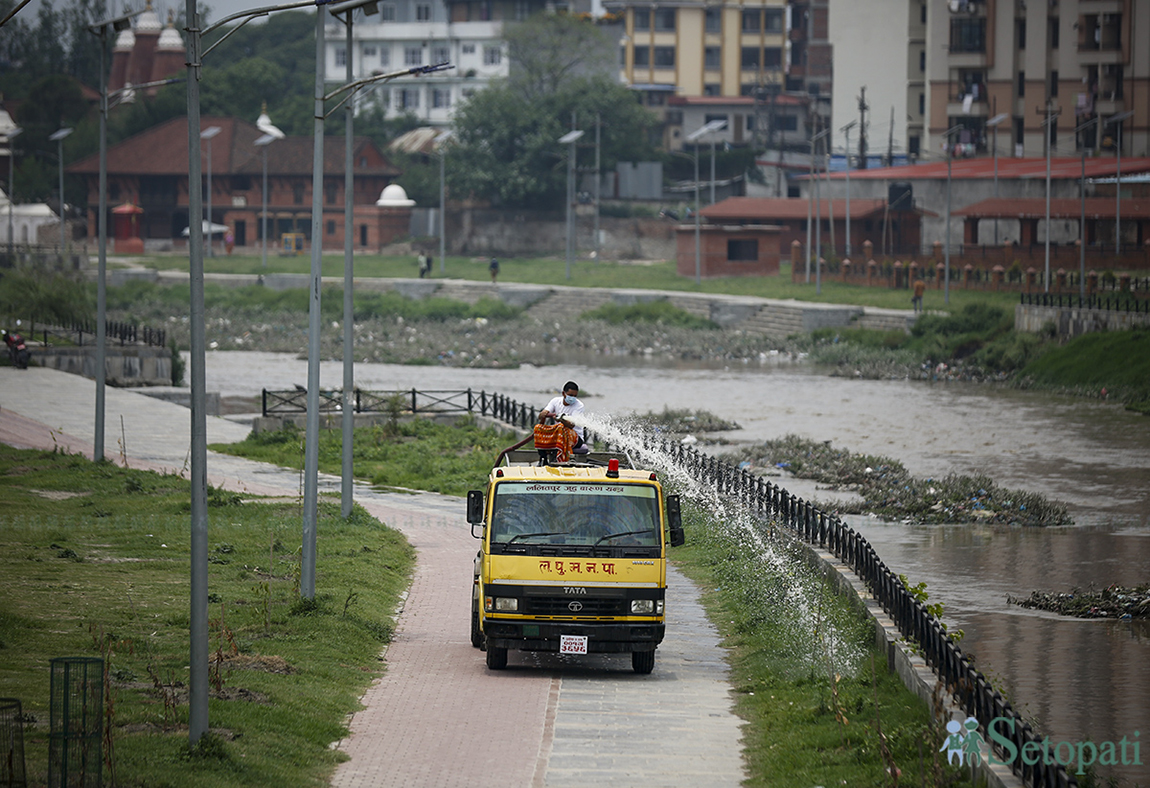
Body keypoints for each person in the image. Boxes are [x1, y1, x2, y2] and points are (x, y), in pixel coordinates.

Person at [539, 381, 589, 455]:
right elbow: (542, 415)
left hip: (575, 438)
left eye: (575, 396)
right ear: (563, 394)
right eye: (570, 395)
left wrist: (561, 420)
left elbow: (571, 425)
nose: (573, 398)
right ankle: (543, 458)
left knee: (561, 428)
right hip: (559, 434)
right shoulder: (555, 401)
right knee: (538, 428)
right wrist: (543, 413)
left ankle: (560, 458)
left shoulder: (579, 406)